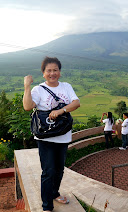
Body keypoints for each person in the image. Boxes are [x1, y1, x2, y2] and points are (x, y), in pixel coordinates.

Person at [23, 56, 80, 212]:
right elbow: (28, 106)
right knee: (48, 171)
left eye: (55, 70)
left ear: (59, 72)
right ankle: (47, 206)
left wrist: (60, 111)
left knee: (59, 169)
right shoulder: (38, 89)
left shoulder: (66, 87)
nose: (52, 73)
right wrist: (27, 86)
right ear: (43, 73)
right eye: (49, 70)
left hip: (63, 135)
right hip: (45, 137)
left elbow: (76, 103)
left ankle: (54, 193)